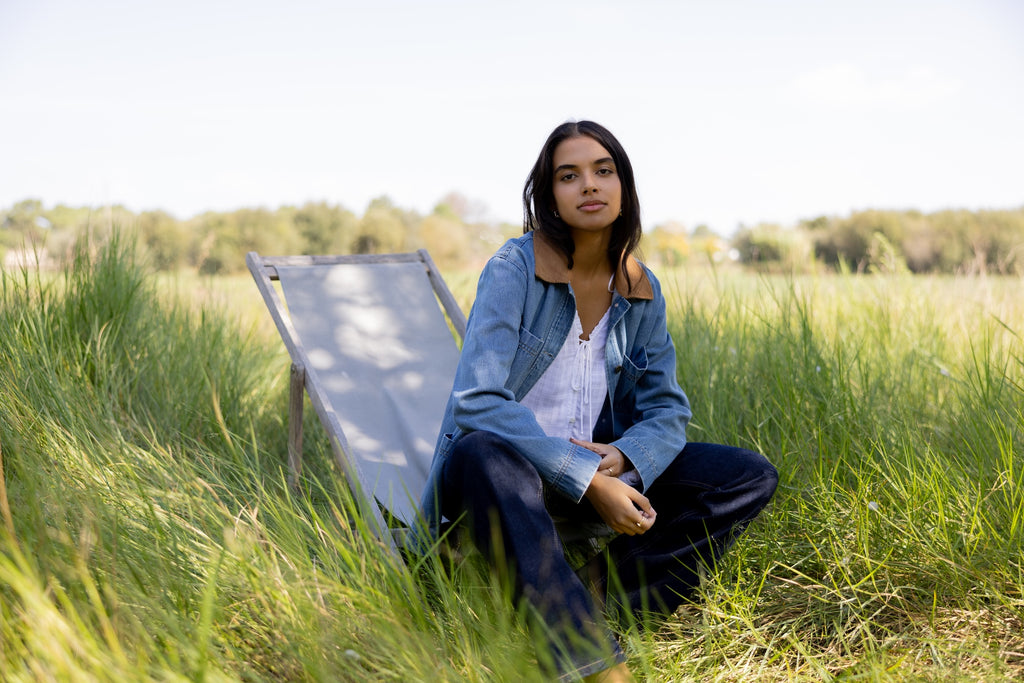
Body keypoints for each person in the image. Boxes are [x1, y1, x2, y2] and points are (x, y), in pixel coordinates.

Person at [417, 120, 778, 682]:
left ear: (624, 187)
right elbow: (477, 401)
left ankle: (596, 601)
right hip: (502, 481)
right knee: (485, 451)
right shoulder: (513, 270)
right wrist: (589, 478)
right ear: (550, 198)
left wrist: (626, 457)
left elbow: (667, 410)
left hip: (592, 474)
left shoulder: (639, 288)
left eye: (603, 171)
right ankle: (594, 662)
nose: (589, 185)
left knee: (745, 476)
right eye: (570, 175)